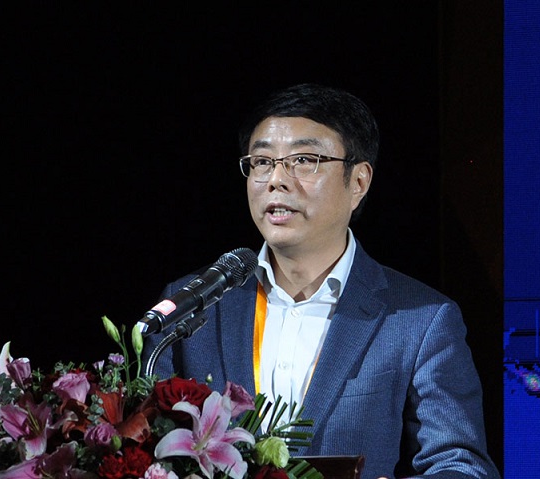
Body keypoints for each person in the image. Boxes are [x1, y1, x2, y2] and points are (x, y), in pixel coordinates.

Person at [142, 83, 501, 479]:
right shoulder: (191, 303)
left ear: (358, 182)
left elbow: (461, 466)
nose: (276, 180)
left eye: (304, 160)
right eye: (262, 161)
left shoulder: (421, 320)